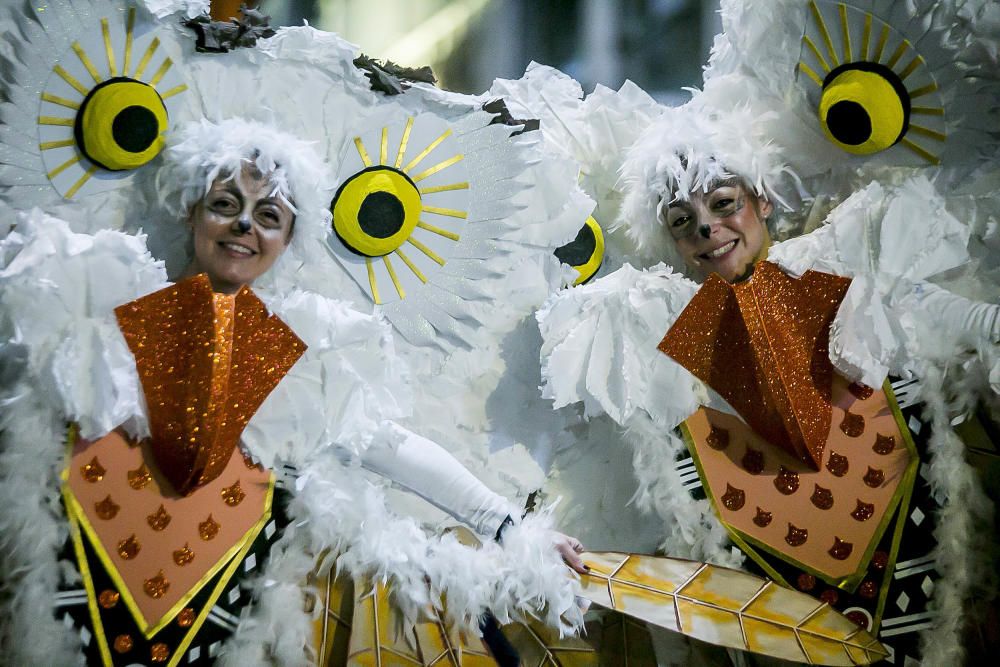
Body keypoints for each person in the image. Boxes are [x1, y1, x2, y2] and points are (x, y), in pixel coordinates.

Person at [0, 117, 586, 666]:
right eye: (225, 206)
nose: (243, 226)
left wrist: (511, 527)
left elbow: (390, 446)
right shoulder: (102, 308)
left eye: (268, 216)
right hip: (73, 602)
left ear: (288, 239)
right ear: (191, 215)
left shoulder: (307, 352)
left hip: (211, 622)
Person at [537, 98, 999, 665]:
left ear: (761, 201)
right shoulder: (655, 328)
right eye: (683, 222)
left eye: (723, 203)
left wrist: (984, 323)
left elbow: (932, 312)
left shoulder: (839, 261)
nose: (707, 227)